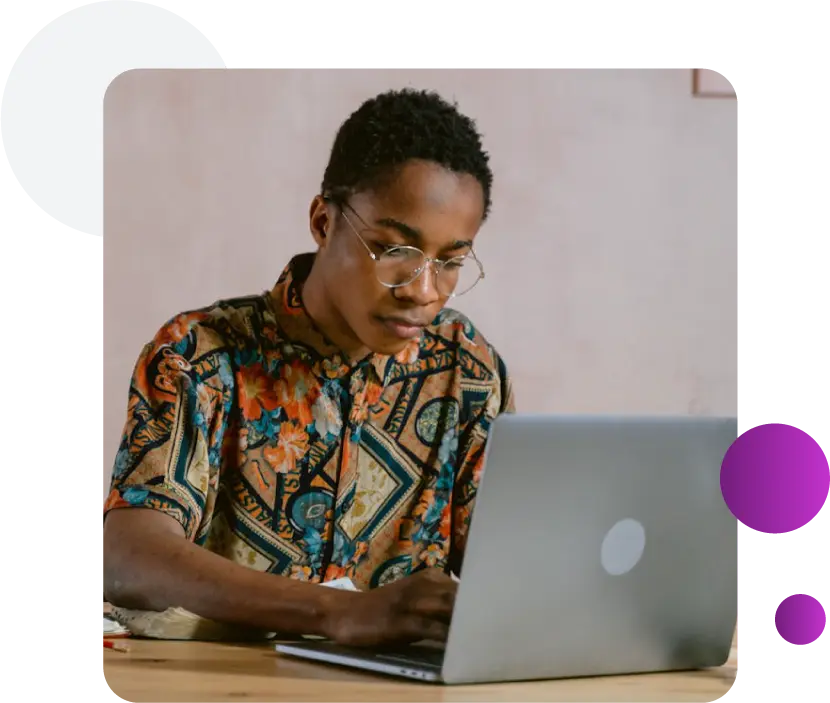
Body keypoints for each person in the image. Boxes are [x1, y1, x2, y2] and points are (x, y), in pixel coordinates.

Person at [101, 88, 515, 647]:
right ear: (323, 221)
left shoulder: (469, 372)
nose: (423, 291)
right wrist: (337, 613)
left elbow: (514, 567)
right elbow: (129, 557)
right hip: (218, 684)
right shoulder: (201, 355)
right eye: (395, 250)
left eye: (450, 262)